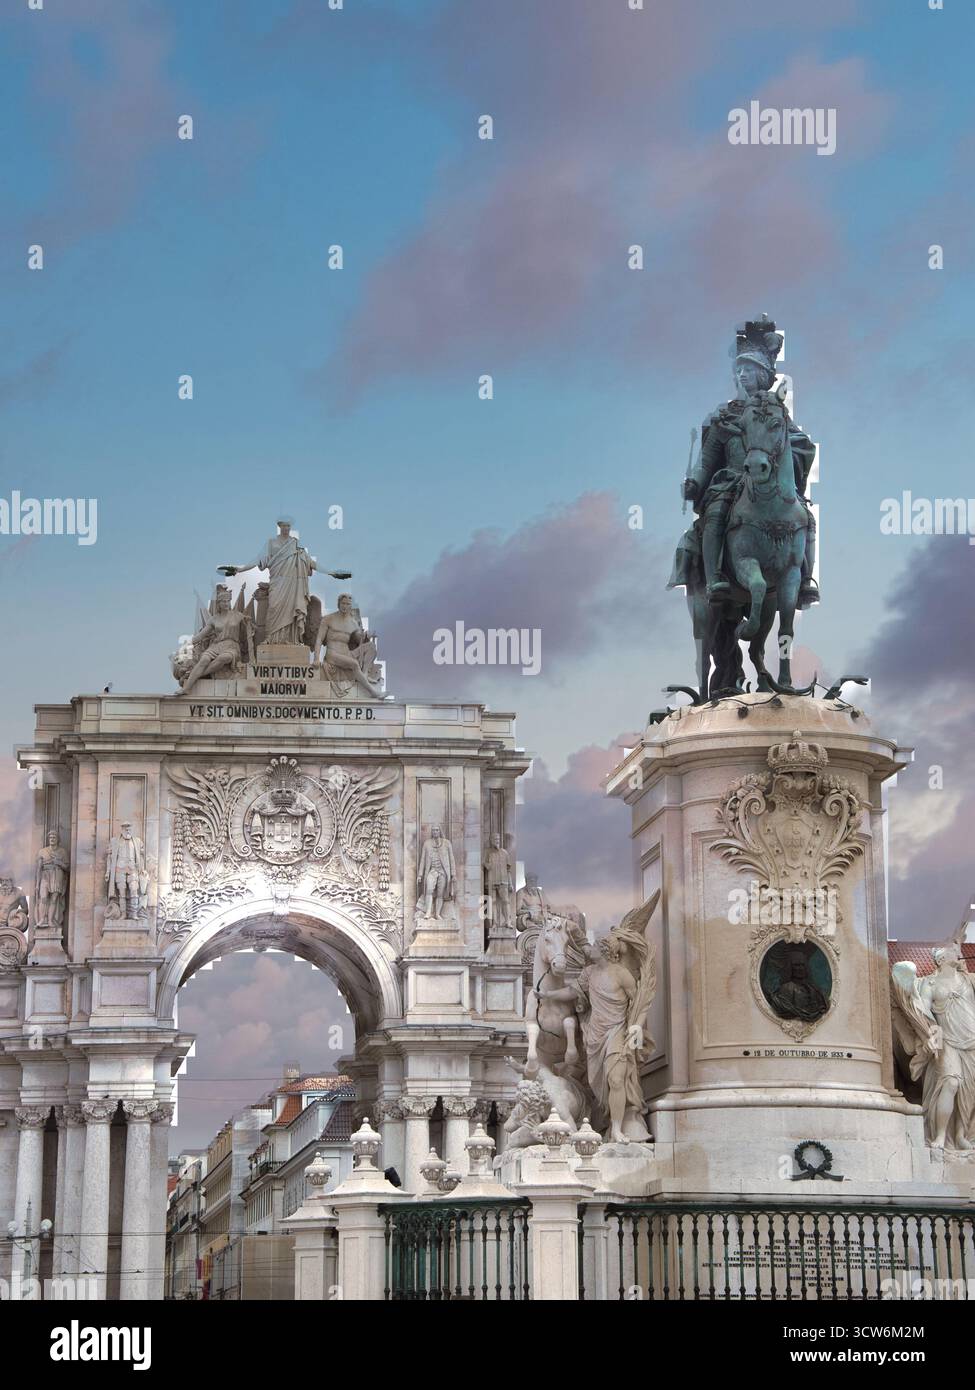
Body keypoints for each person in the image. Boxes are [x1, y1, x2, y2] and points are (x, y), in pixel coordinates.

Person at [671, 318, 819, 606]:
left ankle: (805, 579)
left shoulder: (777, 415)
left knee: (807, 519)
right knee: (715, 512)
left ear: (763, 375)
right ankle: (715, 578)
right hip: (731, 481)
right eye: (738, 370)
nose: (742, 375)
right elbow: (709, 456)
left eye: (749, 370)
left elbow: (801, 446)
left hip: (771, 484)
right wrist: (695, 482)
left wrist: (787, 468)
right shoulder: (723, 417)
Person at [416, 825, 456, 920]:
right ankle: (428, 912)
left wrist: (453, 874)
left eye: (437, 830)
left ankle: (438, 914)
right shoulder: (427, 844)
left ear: (440, 831)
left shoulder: (446, 843)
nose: (435, 832)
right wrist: (420, 874)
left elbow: (451, 859)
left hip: (443, 872)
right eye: (433, 830)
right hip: (432, 871)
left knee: (440, 894)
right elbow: (422, 860)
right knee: (429, 889)